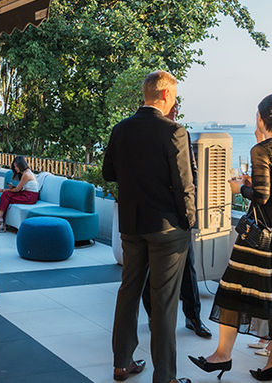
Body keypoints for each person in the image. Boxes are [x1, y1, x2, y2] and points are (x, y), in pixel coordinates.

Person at [189, 94, 272, 383]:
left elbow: (263, 196)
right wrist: (257, 185)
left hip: (259, 237)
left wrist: (239, 187)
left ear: (261, 117)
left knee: (232, 290)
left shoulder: (260, 150)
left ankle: (222, 355)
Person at [102, 70, 195, 383]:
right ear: (167, 95)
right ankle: (165, 376)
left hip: (131, 223)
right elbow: (185, 185)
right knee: (164, 303)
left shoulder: (121, 130)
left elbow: (109, 173)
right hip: (167, 229)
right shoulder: (174, 132)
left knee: (128, 292)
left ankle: (121, 363)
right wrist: (190, 222)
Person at [140, 103, 212, 339]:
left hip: (180, 216)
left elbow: (192, 173)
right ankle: (152, 315)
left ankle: (193, 318)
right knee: (151, 271)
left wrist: (190, 211)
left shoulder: (182, 132)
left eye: (177, 110)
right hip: (152, 216)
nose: (175, 113)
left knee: (188, 269)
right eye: (173, 108)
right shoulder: (143, 131)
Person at [0, 155, 39, 233]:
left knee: (5, 195)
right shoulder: (26, 172)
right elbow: (20, 188)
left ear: (21, 165)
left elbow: (18, 189)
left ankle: (0, 219)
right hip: (27, 194)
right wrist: (12, 187)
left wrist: (2, 190)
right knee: (6, 196)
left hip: (30, 197)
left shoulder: (26, 174)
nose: (15, 168)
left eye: (16, 166)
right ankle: (1, 221)